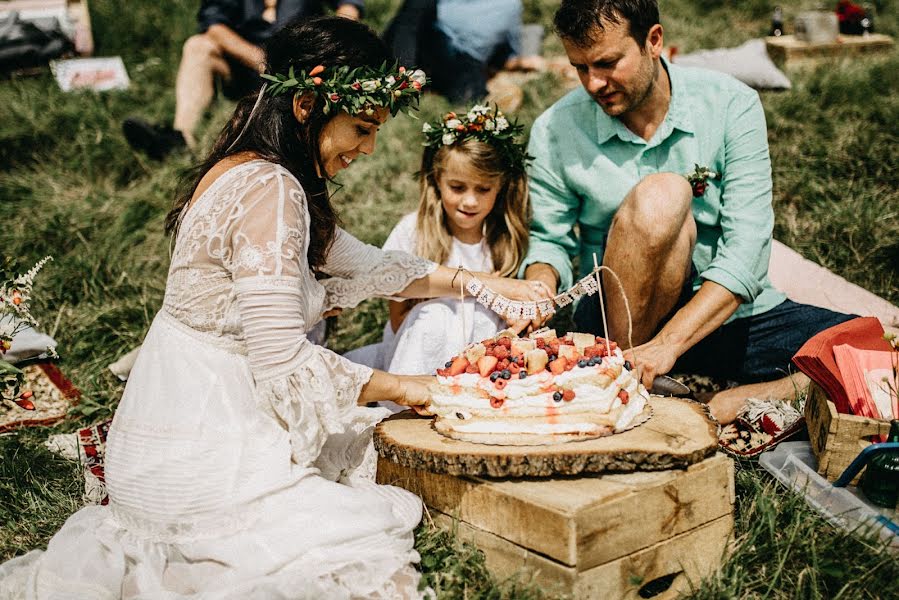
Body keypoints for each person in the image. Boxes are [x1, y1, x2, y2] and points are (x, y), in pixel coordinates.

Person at [0, 17, 549, 598]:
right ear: (309, 104)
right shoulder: (274, 191)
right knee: (364, 536)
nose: (368, 149)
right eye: (362, 128)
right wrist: (413, 386)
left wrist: (487, 284)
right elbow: (285, 363)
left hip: (167, 417)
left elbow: (369, 265)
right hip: (209, 436)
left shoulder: (249, 166)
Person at [520, 0, 854, 424]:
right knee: (664, 194)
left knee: (871, 349)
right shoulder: (555, 129)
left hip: (714, 313)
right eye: (580, 67)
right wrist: (538, 289)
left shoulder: (731, 104)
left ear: (653, 41)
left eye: (606, 63)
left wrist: (669, 345)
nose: (593, 83)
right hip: (615, 323)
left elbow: (747, 253)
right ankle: (621, 379)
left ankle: (736, 397)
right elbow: (549, 239)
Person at [345, 104, 532, 380]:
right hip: (418, 354)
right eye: (457, 188)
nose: (470, 201)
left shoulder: (503, 238)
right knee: (436, 315)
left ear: (501, 186)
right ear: (437, 180)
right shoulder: (415, 231)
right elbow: (397, 314)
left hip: (483, 364)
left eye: (483, 189)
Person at [122, 0, 364, 160]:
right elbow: (213, 27)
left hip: (300, 70)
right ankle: (181, 139)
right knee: (197, 46)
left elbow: (349, 7)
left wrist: (334, 38)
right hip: (244, 67)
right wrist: (263, 62)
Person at [383, 0, 542, 103]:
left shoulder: (512, 6)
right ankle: (402, 80)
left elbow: (506, 51)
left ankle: (483, 98)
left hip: (461, 60)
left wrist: (523, 60)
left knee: (469, 90)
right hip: (435, 42)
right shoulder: (513, 5)